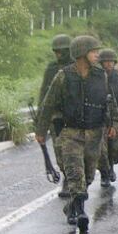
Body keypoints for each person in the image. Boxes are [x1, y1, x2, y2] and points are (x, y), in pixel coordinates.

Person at [35, 36, 118, 231]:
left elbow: (110, 100)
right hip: (70, 132)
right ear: (82, 54)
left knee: (89, 175)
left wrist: (113, 123)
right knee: (75, 173)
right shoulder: (63, 76)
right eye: (93, 51)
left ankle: (72, 206)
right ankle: (81, 211)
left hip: (95, 132)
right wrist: (41, 130)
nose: (97, 55)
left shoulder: (101, 76)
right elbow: (48, 103)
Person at [39, 34, 73, 198]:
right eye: (56, 52)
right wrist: (41, 118)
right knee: (59, 150)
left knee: (74, 150)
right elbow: (44, 93)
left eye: (62, 51)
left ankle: (76, 179)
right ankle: (67, 179)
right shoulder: (52, 68)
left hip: (74, 116)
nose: (58, 55)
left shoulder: (77, 67)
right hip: (56, 117)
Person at [97, 49, 118, 187]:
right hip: (101, 117)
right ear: (102, 63)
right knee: (102, 149)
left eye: (111, 61)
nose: (109, 64)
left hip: (117, 116)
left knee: (115, 148)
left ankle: (111, 166)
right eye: (106, 62)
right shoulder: (97, 77)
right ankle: (105, 173)